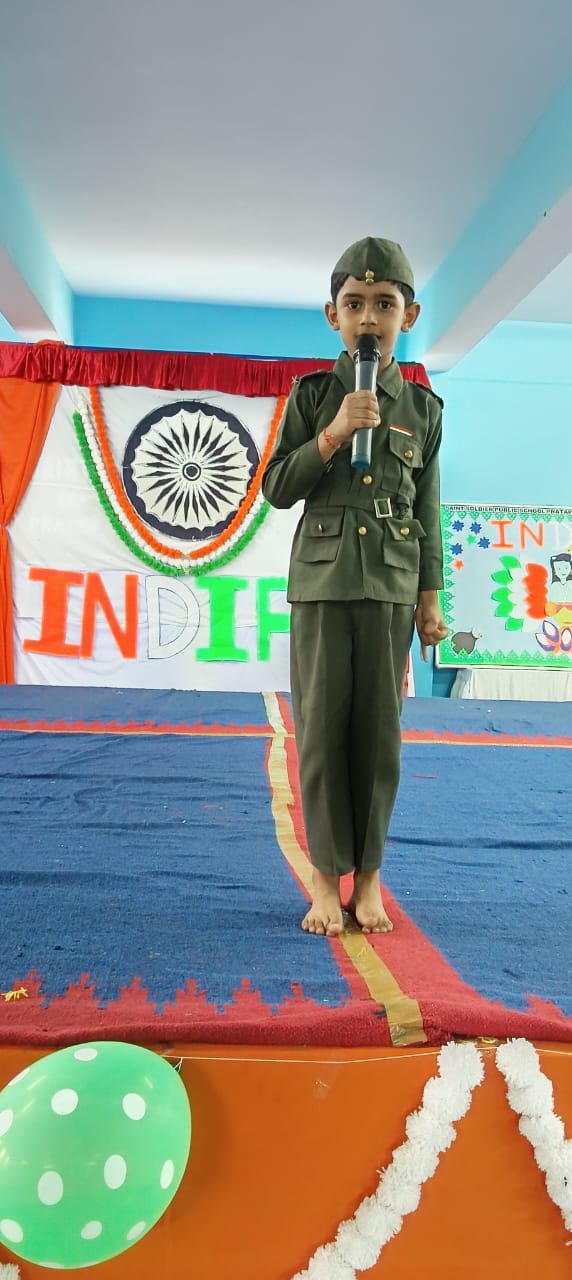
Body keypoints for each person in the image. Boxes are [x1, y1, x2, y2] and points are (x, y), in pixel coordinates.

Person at [262, 237, 448, 938]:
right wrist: (334, 433)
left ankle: (367, 878)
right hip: (322, 582)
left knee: (378, 737)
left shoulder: (423, 409)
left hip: (391, 584)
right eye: (354, 303)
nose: (369, 317)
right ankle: (323, 878)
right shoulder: (314, 396)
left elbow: (427, 507)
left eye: (385, 304)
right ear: (332, 314)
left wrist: (430, 597)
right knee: (320, 733)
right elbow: (276, 487)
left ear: (409, 315)